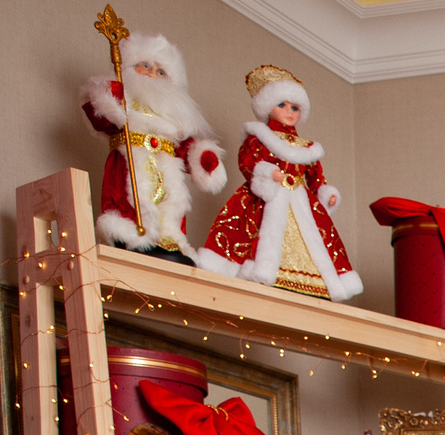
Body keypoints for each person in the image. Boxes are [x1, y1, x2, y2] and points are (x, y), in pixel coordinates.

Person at [194, 66, 366, 301]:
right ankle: (263, 273)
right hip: (269, 196)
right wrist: (266, 172)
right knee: (261, 233)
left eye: (294, 107)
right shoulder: (259, 137)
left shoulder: (307, 147)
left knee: (312, 237)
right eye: (282, 105)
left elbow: (315, 175)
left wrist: (326, 192)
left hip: (300, 200)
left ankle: (307, 282)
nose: (289, 112)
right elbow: (247, 161)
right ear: (267, 107)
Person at [79, 31, 228, 258]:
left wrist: (204, 158)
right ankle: (129, 234)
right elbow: (101, 118)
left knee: (169, 207)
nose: (151, 73)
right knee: (132, 200)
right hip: (131, 166)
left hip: (166, 172)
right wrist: (110, 97)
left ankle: (168, 240)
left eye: (160, 72)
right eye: (145, 66)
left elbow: (186, 147)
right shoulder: (126, 103)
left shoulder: (174, 119)